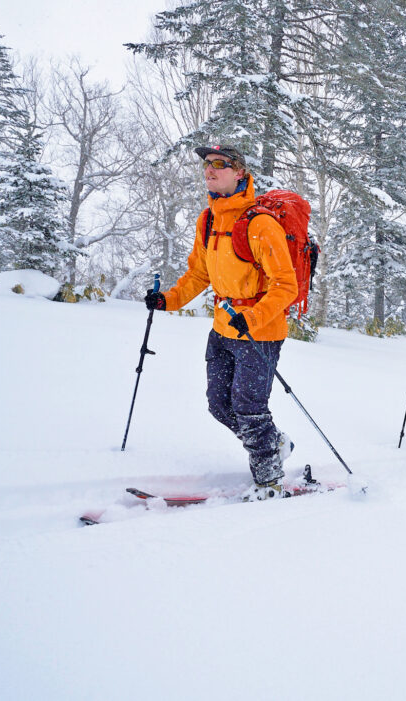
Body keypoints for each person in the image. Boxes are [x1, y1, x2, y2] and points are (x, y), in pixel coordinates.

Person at [144, 144, 298, 493]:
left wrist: (254, 317)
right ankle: (274, 443)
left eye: (219, 164)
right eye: (206, 165)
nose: (209, 170)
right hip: (223, 328)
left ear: (239, 172)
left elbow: (286, 286)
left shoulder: (260, 224)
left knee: (248, 405)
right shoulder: (209, 219)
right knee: (219, 403)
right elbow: (199, 274)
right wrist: (168, 300)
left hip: (260, 332)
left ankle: (270, 479)